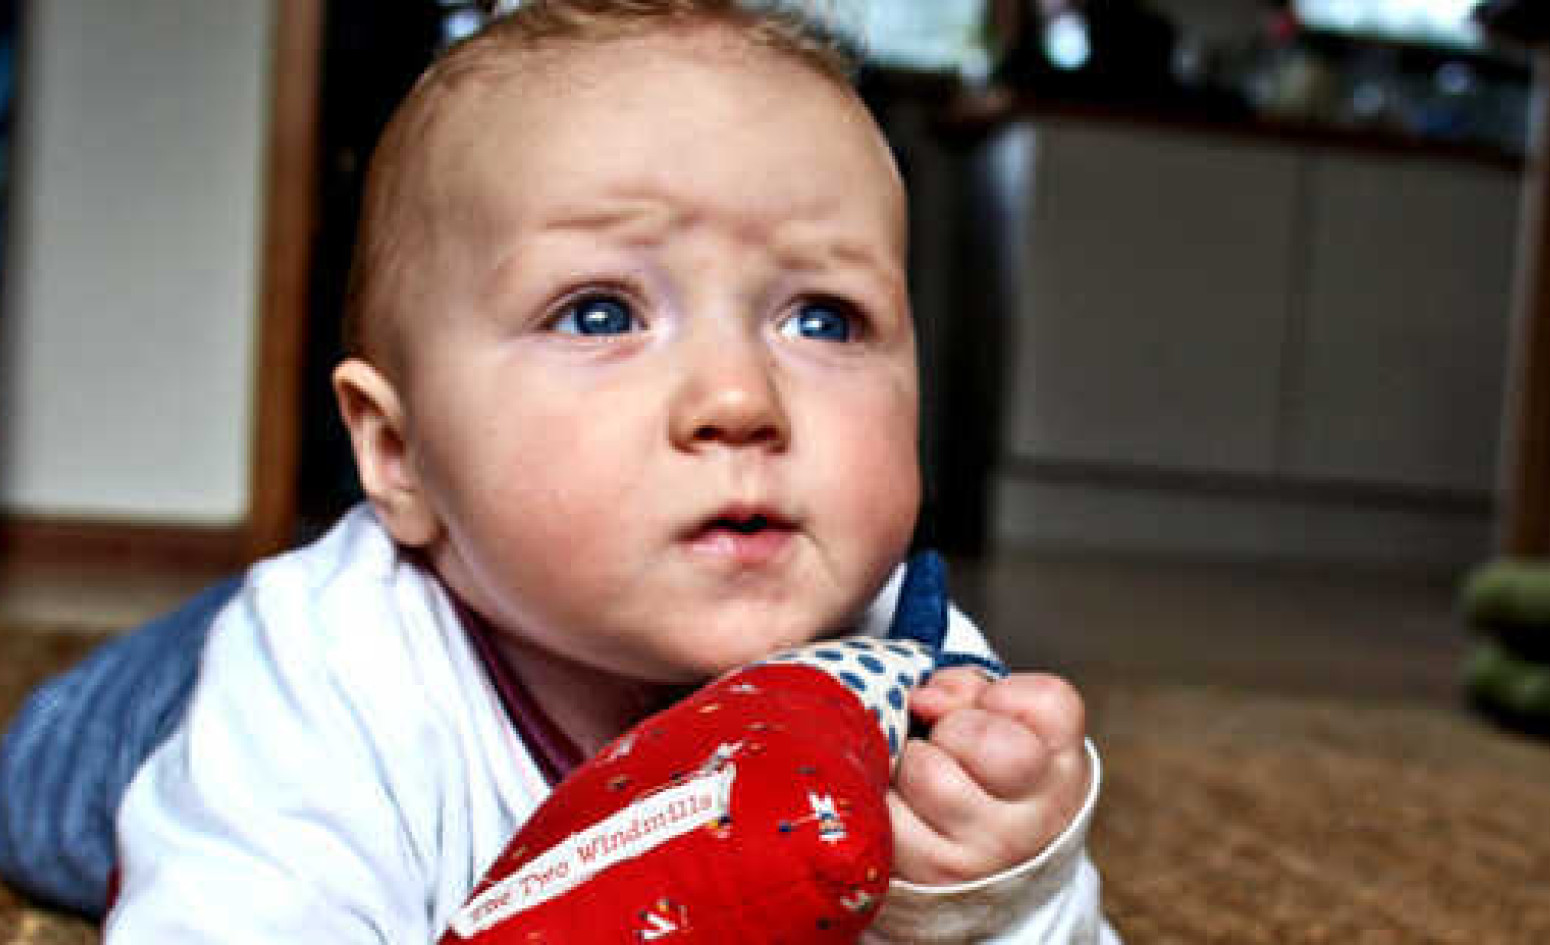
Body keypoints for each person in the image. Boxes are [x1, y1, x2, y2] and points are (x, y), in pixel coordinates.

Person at [0, 2, 1118, 941]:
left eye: (823, 319)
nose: (739, 400)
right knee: (34, 782)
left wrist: (999, 880)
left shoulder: (912, 676)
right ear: (396, 453)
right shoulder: (332, 672)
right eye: (599, 312)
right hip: (161, 710)